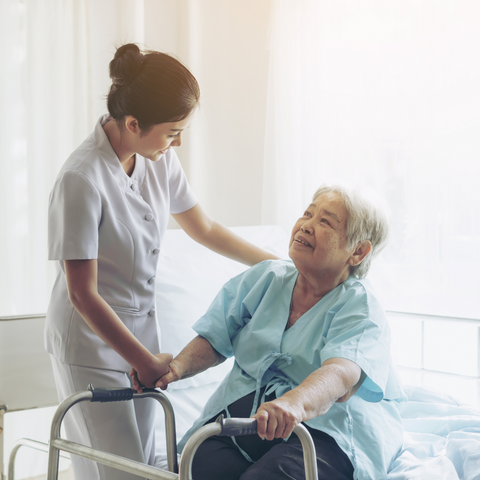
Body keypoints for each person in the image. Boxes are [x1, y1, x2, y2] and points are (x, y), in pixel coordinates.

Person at [45, 43, 277, 480]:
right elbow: (82, 293)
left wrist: (281, 266)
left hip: (141, 338)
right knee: (121, 470)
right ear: (133, 123)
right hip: (92, 344)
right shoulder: (81, 178)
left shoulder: (158, 159)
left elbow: (205, 229)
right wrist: (146, 361)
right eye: (173, 131)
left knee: (147, 465)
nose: (179, 142)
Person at [145, 185, 407, 480]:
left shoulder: (361, 307)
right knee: (197, 468)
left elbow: (340, 374)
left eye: (325, 222)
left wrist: (293, 403)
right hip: (249, 419)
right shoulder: (265, 278)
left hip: (326, 430)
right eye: (308, 214)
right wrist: (176, 368)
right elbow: (216, 336)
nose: (307, 225)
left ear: (358, 251)